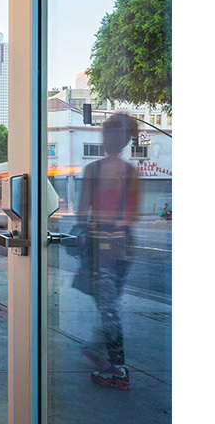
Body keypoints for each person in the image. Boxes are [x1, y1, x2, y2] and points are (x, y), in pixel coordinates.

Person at [75, 113, 140, 390]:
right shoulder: (131, 173)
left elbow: (81, 213)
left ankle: (118, 367)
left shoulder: (94, 170)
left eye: (104, 135)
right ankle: (102, 352)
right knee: (109, 304)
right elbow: (131, 215)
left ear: (109, 138)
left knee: (108, 307)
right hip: (123, 247)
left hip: (100, 247)